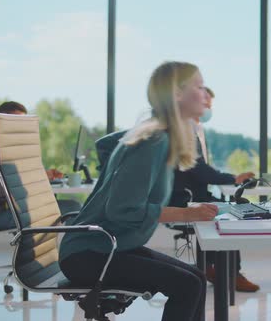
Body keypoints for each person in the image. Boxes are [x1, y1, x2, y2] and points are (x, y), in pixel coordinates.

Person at [59, 61, 219, 321]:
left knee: (196, 278)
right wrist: (186, 214)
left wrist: (192, 210)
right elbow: (123, 209)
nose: (205, 95)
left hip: (109, 246)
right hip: (89, 253)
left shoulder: (160, 136)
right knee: (187, 285)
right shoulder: (153, 140)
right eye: (199, 87)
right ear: (177, 94)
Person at [168, 87, 259, 292]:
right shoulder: (184, 128)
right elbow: (198, 169)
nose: (207, 106)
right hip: (184, 197)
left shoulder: (194, 128)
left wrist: (231, 178)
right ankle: (231, 273)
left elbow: (202, 168)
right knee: (229, 215)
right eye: (204, 102)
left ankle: (213, 268)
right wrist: (233, 178)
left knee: (226, 207)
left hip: (193, 193)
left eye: (209, 103)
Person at [0, 101, 80, 231]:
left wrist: (43, 175)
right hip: (3, 213)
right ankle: (74, 250)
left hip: (20, 207)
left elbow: (15, 176)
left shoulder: (6, 145)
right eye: (16, 121)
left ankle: (64, 249)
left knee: (72, 206)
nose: (20, 127)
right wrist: (33, 181)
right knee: (73, 208)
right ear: (0, 121)